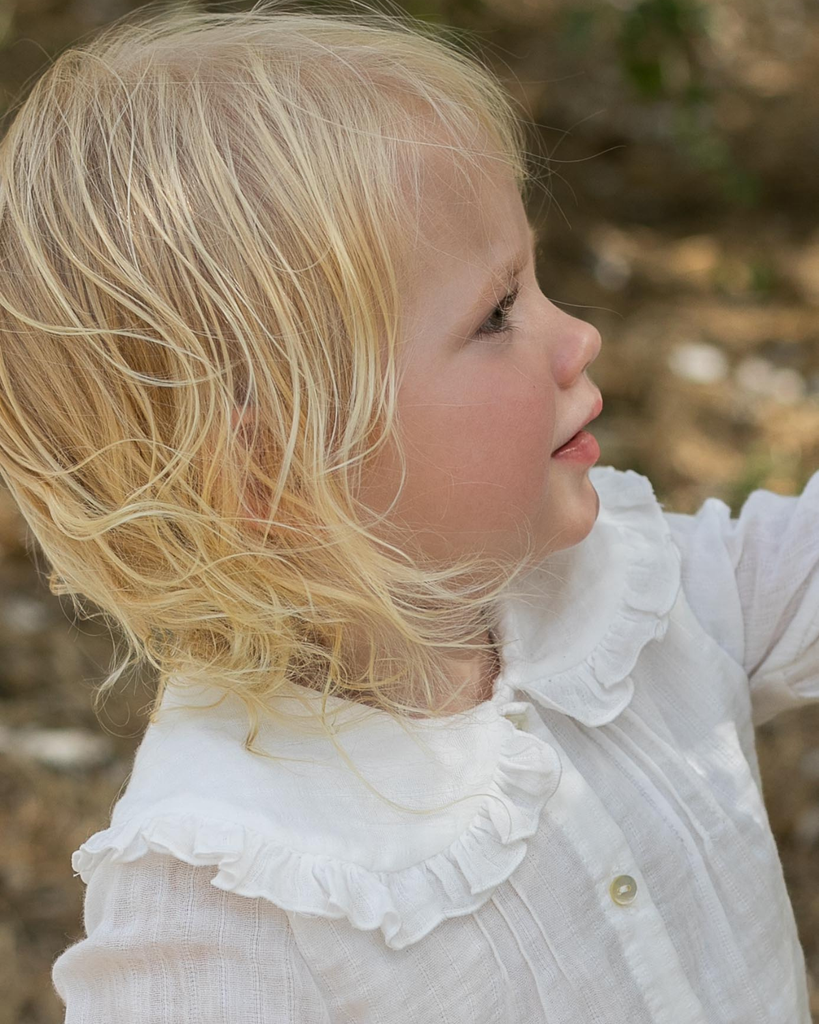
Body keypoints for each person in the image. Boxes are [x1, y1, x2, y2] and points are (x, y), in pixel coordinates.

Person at [0, 3, 815, 1021]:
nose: (581, 336)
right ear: (273, 468)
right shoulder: (234, 895)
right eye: (499, 313)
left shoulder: (622, 596)